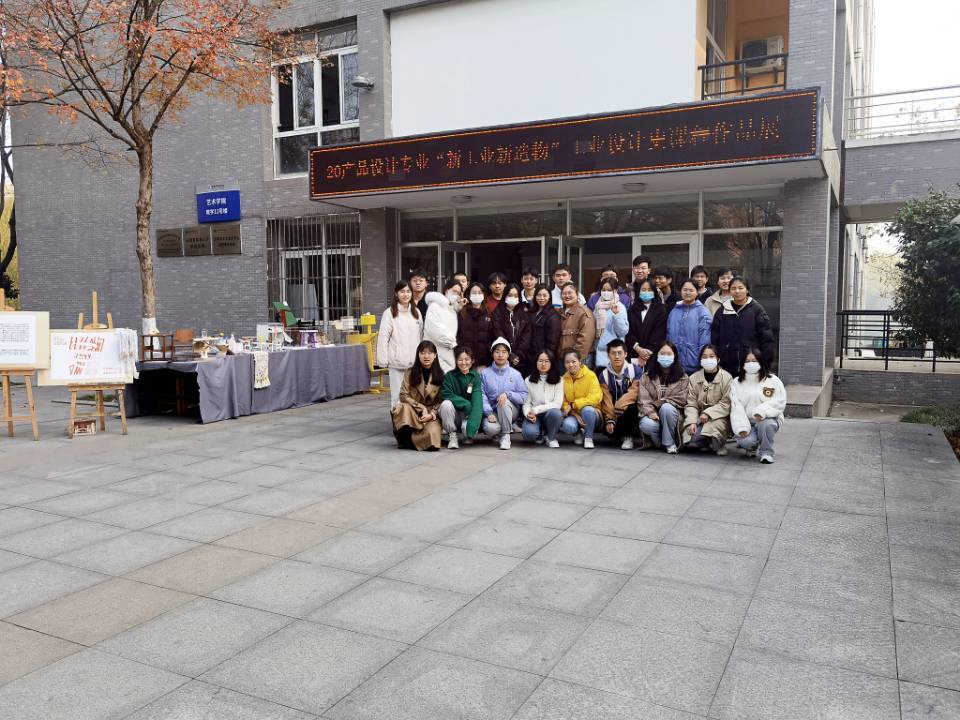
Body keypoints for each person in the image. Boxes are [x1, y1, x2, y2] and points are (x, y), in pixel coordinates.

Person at [711, 276, 776, 376]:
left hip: (751, 365)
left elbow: (767, 340)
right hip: (727, 366)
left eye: (740, 288)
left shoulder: (756, 310)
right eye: (733, 288)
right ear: (729, 291)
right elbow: (714, 339)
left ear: (747, 290)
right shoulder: (722, 311)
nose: (737, 291)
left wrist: (765, 364)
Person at [730, 349, 786, 464]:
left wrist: (762, 412)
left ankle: (766, 452)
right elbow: (736, 407)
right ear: (743, 364)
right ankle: (752, 446)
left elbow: (779, 400)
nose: (751, 363)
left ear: (760, 361)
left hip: (769, 419)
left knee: (766, 425)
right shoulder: (736, 382)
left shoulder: (773, 380)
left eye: (754, 360)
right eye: (747, 361)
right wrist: (741, 427)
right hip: (748, 422)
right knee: (745, 442)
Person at [376, 281, 423, 408]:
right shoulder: (389, 313)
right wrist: (383, 360)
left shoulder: (416, 312)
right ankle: (397, 420)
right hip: (397, 362)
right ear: (396, 294)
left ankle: (411, 419)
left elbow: (421, 337)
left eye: (408, 291)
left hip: (414, 363)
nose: (405, 294)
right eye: (402, 291)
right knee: (397, 396)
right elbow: (383, 337)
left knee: (414, 396)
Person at [638, 341, 689, 454]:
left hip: (673, 416)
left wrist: (661, 403)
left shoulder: (683, 378)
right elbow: (643, 400)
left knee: (666, 408)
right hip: (654, 417)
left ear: (674, 356)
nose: (665, 357)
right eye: (662, 354)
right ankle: (661, 443)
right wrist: (650, 412)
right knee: (646, 425)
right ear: (657, 355)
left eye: (669, 354)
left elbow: (682, 399)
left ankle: (669, 443)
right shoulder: (646, 377)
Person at [391, 340, 444, 451]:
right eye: (423, 353)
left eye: (429, 353)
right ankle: (405, 436)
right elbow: (403, 395)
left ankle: (409, 441)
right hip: (413, 410)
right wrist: (421, 407)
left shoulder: (441, 374)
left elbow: (442, 400)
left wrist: (432, 414)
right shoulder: (410, 372)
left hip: (430, 414)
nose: (426, 356)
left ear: (435, 355)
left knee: (432, 443)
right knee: (402, 408)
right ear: (418, 354)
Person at [682, 344, 733, 456]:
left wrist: (708, 413)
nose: (708, 359)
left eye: (711, 356)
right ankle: (705, 442)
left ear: (718, 359)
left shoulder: (727, 378)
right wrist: (692, 422)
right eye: (704, 357)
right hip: (699, 419)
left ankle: (718, 444)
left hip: (718, 418)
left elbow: (726, 403)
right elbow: (691, 403)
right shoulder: (693, 378)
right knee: (691, 440)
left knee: (715, 436)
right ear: (700, 360)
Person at [481, 337, 528, 450]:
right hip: (493, 411)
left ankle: (506, 435)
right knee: (490, 429)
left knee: (504, 401)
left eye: (504, 352)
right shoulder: (485, 373)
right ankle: (498, 432)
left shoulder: (516, 374)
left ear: (508, 354)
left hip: (511, 411)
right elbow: (482, 395)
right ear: (492, 354)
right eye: (497, 352)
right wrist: (488, 412)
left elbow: (524, 395)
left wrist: (508, 394)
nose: (500, 355)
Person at [439, 345, 484, 449]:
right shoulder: (449, 376)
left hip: (467, 414)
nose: (463, 363)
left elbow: (477, 401)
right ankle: (452, 435)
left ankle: (468, 436)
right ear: (456, 361)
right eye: (460, 360)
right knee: (446, 404)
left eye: (467, 359)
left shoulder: (475, 377)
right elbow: (446, 394)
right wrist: (465, 403)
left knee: (468, 429)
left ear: (472, 361)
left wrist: (472, 427)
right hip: (453, 414)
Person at [599, 339, 641, 450]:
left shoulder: (634, 370)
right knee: (609, 430)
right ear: (608, 355)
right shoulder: (604, 375)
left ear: (625, 354)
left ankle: (628, 436)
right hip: (614, 412)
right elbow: (607, 399)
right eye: (613, 353)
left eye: (619, 353)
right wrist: (610, 419)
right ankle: (618, 433)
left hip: (627, 410)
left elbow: (634, 392)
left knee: (632, 407)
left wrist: (620, 405)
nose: (616, 356)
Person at [667, 278, 712, 374]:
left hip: (694, 365)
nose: (687, 293)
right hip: (674, 363)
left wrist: (702, 359)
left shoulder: (703, 312)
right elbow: (668, 335)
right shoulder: (674, 311)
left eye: (691, 290)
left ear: (697, 292)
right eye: (685, 290)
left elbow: (705, 341)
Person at [559, 348, 603, 449]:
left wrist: (574, 405)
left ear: (580, 361)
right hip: (574, 414)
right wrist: (573, 413)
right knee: (568, 425)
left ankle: (588, 437)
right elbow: (563, 401)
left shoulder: (590, 376)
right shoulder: (564, 379)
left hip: (592, 414)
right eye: (567, 362)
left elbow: (595, 397)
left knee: (587, 410)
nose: (570, 365)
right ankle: (577, 433)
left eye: (574, 361)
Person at [521, 350, 564, 447]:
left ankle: (551, 437)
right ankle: (539, 433)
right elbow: (526, 403)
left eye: (547, 361)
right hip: (535, 415)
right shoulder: (528, 380)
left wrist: (536, 409)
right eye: (540, 361)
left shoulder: (559, 380)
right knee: (529, 434)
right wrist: (528, 414)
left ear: (552, 363)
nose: (543, 364)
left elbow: (557, 404)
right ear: (536, 362)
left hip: (550, 413)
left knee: (556, 413)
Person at [491, 283, 533, 377]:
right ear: (505, 296)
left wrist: (518, 355)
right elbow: (498, 333)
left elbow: (526, 336)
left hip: (521, 359)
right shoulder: (497, 312)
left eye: (515, 295)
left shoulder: (524, 313)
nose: (512, 297)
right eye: (510, 295)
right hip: (502, 357)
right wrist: (509, 354)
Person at [625, 278, 667, 368]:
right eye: (643, 290)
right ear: (639, 292)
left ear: (654, 292)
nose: (646, 292)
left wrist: (646, 353)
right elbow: (628, 331)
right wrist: (638, 348)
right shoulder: (632, 310)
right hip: (634, 353)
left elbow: (659, 333)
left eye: (649, 290)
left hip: (652, 355)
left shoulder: (661, 309)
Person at [423, 280, 461, 373]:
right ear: (447, 290)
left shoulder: (451, 310)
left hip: (447, 355)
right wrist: (451, 342)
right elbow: (434, 328)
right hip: (434, 353)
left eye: (458, 293)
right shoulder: (435, 306)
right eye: (454, 291)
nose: (456, 295)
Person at [592, 277, 629, 372]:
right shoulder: (598, 306)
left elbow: (623, 331)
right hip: (598, 353)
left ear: (615, 290)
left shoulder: (619, 307)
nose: (606, 292)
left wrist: (616, 315)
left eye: (609, 290)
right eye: (603, 290)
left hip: (614, 354)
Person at [558, 282, 596, 365]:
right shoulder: (560, 313)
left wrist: (574, 359)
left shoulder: (584, 313)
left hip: (580, 359)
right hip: (563, 359)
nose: (567, 296)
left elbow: (585, 340)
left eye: (570, 293)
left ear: (577, 295)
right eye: (564, 293)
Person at [458, 281, 493, 367]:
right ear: (469, 295)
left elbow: (491, 337)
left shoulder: (489, 314)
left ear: (484, 295)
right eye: (474, 293)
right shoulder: (462, 313)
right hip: (465, 361)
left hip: (483, 362)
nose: (477, 295)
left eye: (479, 293)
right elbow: (457, 335)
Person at [530, 283, 562, 358]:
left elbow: (553, 341)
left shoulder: (553, 315)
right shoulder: (531, 312)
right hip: (530, 355)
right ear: (535, 296)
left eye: (545, 295)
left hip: (544, 356)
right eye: (539, 295)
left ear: (549, 297)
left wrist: (546, 356)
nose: (541, 298)